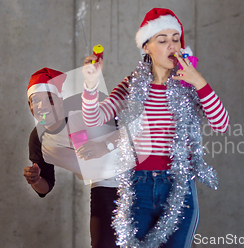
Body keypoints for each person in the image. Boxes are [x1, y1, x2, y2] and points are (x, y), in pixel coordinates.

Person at [81, 8, 229, 248]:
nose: (172, 45)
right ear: (147, 47)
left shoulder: (190, 85)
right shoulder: (132, 86)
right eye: (162, 40)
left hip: (179, 189)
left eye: (175, 39)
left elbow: (221, 125)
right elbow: (95, 118)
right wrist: (90, 86)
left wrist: (199, 82)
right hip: (139, 188)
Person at [22, 67, 120, 248]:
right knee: (102, 243)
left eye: (49, 99)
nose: (42, 106)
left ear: (61, 100)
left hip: (137, 173)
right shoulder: (38, 140)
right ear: (30, 106)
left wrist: (104, 146)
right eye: (35, 101)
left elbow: (132, 131)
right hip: (103, 183)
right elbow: (46, 186)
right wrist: (35, 180)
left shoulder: (84, 105)